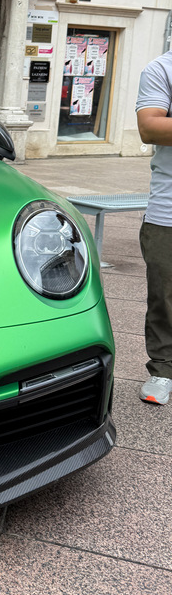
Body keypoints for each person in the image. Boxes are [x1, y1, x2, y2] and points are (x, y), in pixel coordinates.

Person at [136, 51, 172, 404]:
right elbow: (150, 127)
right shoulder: (162, 68)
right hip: (169, 210)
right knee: (165, 296)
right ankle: (163, 370)